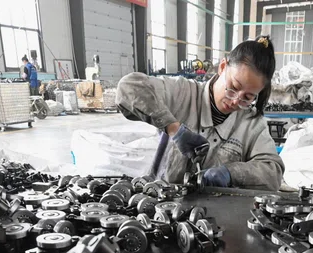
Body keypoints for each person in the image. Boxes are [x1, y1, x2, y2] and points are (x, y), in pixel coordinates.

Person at [116, 35, 283, 191]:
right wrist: (173, 128)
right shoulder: (182, 92)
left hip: (214, 214)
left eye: (247, 97)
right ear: (223, 67)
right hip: (161, 204)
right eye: (234, 86)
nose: (235, 101)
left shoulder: (252, 123)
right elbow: (128, 87)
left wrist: (231, 173)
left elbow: (272, 172)